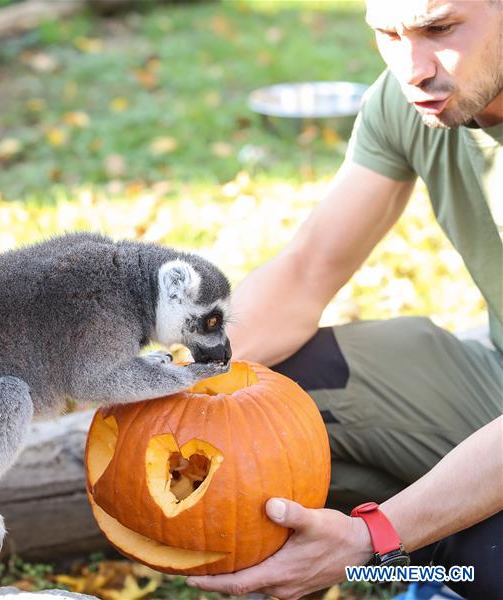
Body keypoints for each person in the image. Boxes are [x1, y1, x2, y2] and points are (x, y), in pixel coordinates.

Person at [187, 1, 502, 598]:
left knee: (491, 562)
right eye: (388, 33)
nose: (412, 67)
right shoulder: (408, 99)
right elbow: (307, 271)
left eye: (440, 29)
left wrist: (374, 538)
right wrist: (183, 381)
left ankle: (443, 552)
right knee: (258, 401)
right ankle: (444, 543)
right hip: (493, 384)